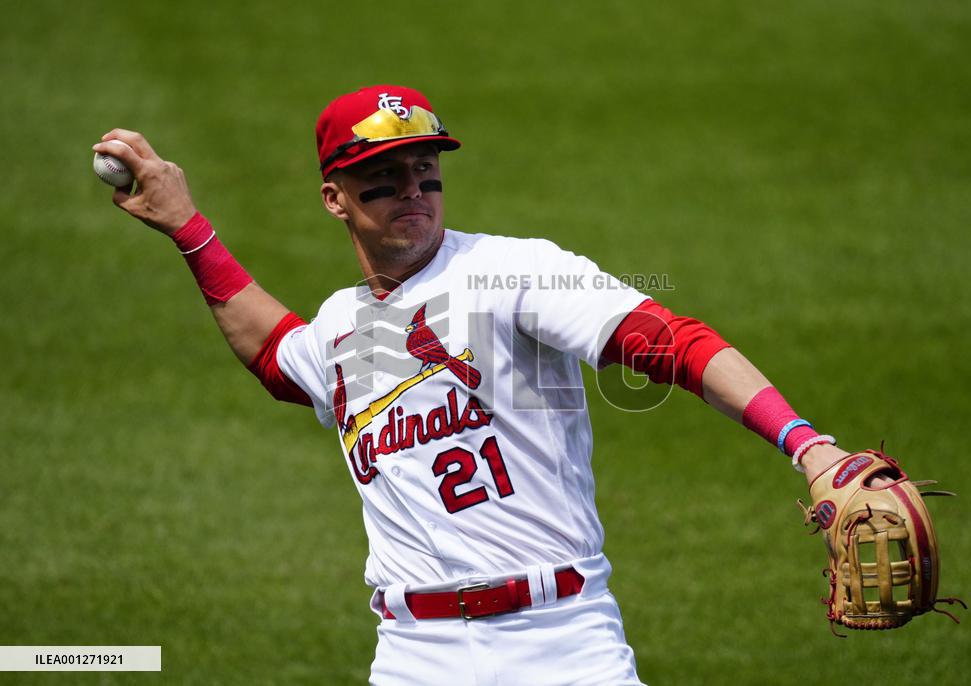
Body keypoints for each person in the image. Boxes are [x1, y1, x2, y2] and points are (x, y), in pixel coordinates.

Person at [94, 85, 860, 685]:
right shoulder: (345, 325)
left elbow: (674, 344)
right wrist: (187, 227)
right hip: (413, 654)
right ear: (335, 198)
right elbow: (276, 356)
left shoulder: (509, 271)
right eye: (384, 178)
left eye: (425, 171)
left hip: (562, 641)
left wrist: (809, 446)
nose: (414, 190)